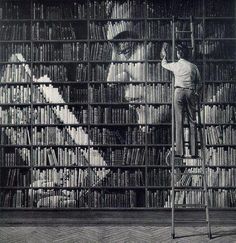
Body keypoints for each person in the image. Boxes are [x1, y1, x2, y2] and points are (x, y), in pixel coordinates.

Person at [161, 43, 201, 157]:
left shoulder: (175, 65)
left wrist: (164, 55)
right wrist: (196, 92)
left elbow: (164, 64)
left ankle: (180, 151)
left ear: (179, 54)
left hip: (178, 92)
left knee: (179, 121)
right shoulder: (193, 67)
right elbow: (199, 82)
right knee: (192, 121)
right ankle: (193, 152)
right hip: (190, 92)